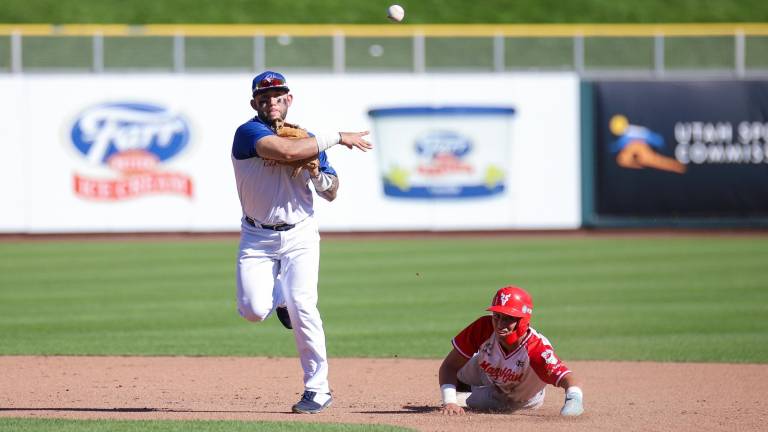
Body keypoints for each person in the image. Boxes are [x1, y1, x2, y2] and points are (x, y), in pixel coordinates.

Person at [231, 70, 372, 414]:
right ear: (255, 103)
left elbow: (332, 192)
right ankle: (279, 297)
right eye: (264, 98)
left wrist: (315, 172)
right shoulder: (248, 133)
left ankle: (317, 388)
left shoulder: (308, 138)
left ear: (288, 100)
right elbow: (282, 149)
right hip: (256, 236)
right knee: (252, 311)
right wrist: (337, 137)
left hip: (300, 234)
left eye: (278, 96)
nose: (272, 102)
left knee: (303, 306)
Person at [438, 285, 584, 416]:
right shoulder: (484, 328)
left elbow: (568, 378)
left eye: (508, 318)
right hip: (489, 371)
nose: (500, 324)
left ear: (524, 320)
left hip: (513, 398)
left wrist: (574, 400)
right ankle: (463, 392)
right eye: (497, 316)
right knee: (460, 369)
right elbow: (450, 366)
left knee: (476, 402)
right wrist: (449, 401)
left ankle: (467, 396)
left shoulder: (536, 348)